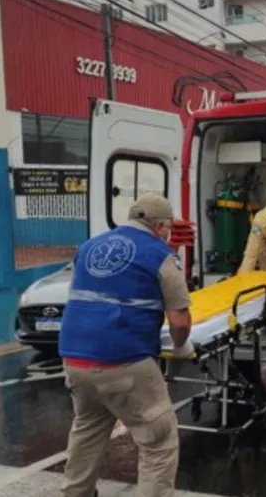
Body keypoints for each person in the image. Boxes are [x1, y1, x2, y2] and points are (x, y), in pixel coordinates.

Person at [58, 194, 193, 497]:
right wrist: (181, 348)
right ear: (161, 226)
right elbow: (180, 321)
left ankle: (75, 493)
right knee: (158, 441)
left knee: (88, 428)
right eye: (168, 228)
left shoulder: (89, 247)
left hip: (75, 358)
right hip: (124, 360)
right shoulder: (160, 254)